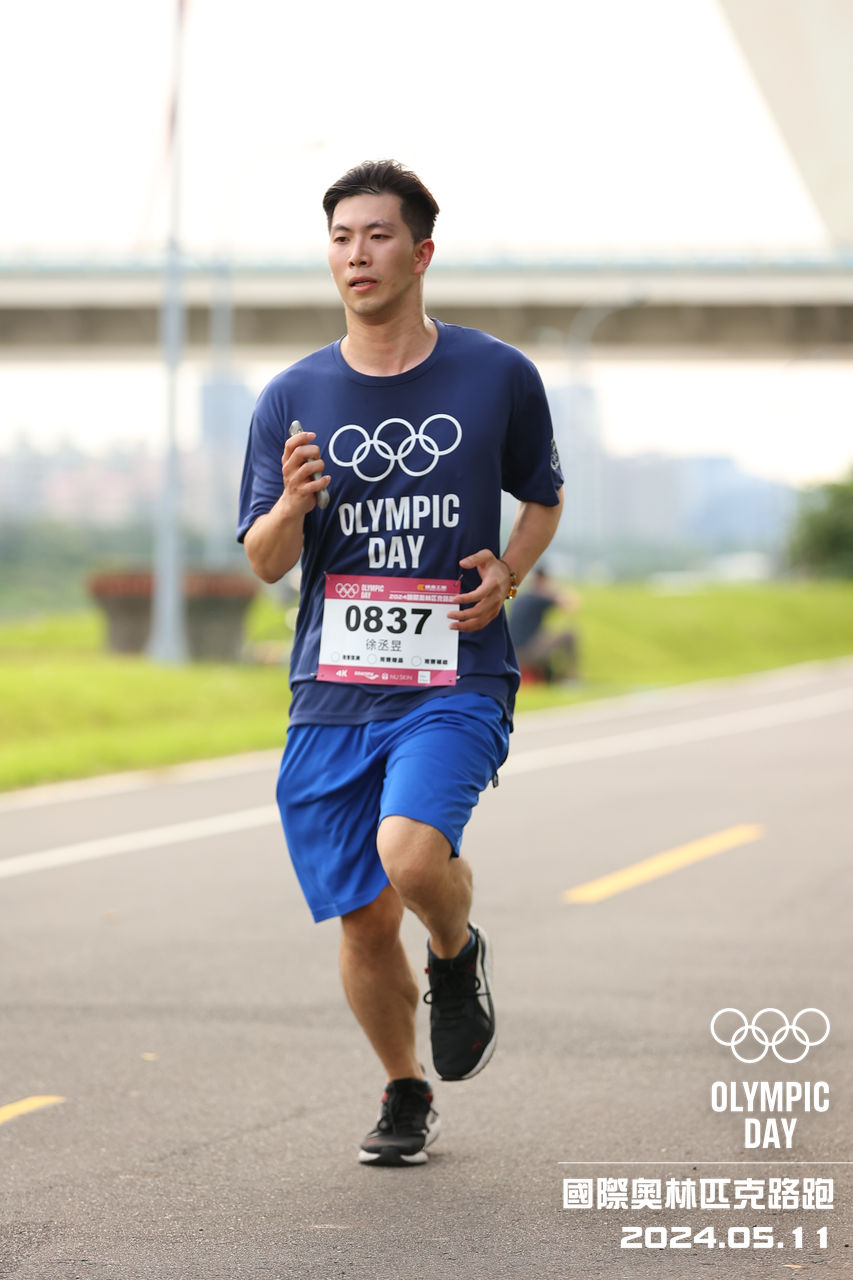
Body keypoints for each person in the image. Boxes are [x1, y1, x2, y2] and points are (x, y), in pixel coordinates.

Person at [237, 159, 564, 1167]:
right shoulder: (292, 396)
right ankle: (404, 1086)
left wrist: (508, 573)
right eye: (341, 237)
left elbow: (542, 495)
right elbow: (264, 560)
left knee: (411, 856)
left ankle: (456, 954)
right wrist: (294, 503)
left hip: (453, 675)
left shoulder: (496, 374)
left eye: (377, 235)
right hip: (332, 692)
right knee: (365, 923)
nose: (357, 254)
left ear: (420, 252)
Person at [508, 564, 579, 683]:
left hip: (514, 652)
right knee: (569, 635)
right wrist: (556, 588)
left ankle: (553, 676)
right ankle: (571, 677)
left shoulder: (522, 596)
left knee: (546, 634)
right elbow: (571, 604)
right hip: (526, 653)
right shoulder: (538, 597)